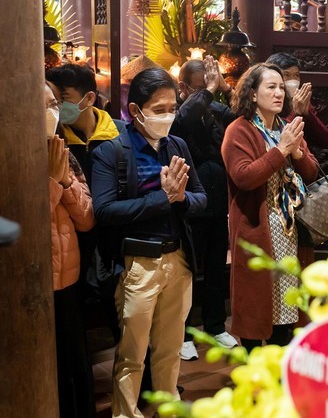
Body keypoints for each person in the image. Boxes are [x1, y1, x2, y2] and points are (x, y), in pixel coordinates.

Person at [91, 68, 207, 418]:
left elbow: (202, 199)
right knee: (131, 355)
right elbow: (105, 210)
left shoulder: (177, 145)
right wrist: (164, 198)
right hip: (137, 265)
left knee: (170, 349)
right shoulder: (112, 151)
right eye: (159, 109)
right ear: (136, 110)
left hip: (178, 261)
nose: (168, 115)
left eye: (172, 106)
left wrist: (181, 198)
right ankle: (126, 413)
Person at [222, 63, 319, 350]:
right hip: (258, 232)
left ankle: (278, 374)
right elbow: (244, 177)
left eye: (281, 87)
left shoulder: (284, 127)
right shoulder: (238, 130)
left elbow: (312, 173)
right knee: (256, 309)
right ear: (252, 94)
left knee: (287, 312)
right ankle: (255, 377)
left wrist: (298, 153)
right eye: (271, 87)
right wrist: (280, 151)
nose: (279, 93)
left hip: (290, 233)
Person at [46, 63, 124, 339]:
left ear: (89, 98)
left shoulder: (119, 133)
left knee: (122, 316)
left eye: (62, 100)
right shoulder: (54, 143)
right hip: (75, 242)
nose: (57, 109)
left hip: (113, 239)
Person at [172, 57, 239, 360]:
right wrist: (209, 92)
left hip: (218, 202)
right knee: (188, 271)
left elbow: (240, 117)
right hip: (189, 204)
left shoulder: (216, 110)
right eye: (201, 88)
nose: (206, 94)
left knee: (215, 268)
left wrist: (225, 88)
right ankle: (182, 332)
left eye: (208, 87)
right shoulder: (178, 112)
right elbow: (187, 117)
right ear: (184, 87)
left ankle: (214, 325)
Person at [46, 81, 96, 418]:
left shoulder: (65, 153)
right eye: (42, 105)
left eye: (53, 103)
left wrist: (64, 181)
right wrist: (51, 180)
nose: (50, 112)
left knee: (76, 365)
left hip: (70, 281)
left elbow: (87, 219)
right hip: (35, 285)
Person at [266, 52, 328, 150]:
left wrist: (307, 114)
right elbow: (278, 140)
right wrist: (295, 112)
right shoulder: (267, 103)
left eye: (296, 75)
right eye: (287, 75)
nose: (293, 81)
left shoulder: (302, 102)